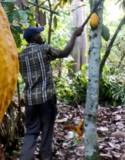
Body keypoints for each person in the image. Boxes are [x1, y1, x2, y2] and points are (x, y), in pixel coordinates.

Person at [19, 26, 84, 160]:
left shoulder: (21, 56)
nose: (41, 36)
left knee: (31, 132)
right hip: (46, 99)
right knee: (47, 132)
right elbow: (65, 53)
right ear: (34, 37)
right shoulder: (44, 49)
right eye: (39, 34)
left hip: (30, 101)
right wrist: (74, 35)